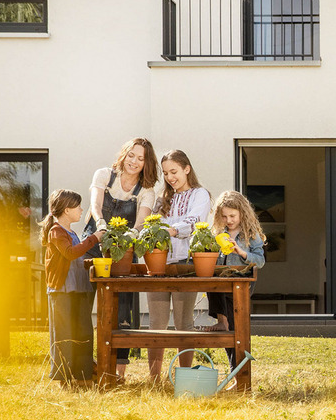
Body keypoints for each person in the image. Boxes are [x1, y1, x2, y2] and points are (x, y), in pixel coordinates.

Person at [88, 137, 159, 380]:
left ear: (146, 164)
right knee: (84, 303)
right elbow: (95, 206)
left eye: (141, 159)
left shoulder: (146, 191)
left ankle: (118, 372)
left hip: (124, 250)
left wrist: (133, 234)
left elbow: (142, 220)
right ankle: (85, 365)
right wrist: (101, 224)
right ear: (124, 154)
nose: (134, 162)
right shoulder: (104, 175)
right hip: (95, 243)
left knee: (122, 309)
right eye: (131, 155)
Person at [145, 149, 211, 383]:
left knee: (184, 322)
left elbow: (194, 221)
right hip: (159, 265)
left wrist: (171, 231)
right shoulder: (163, 199)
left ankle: (185, 377)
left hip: (185, 264)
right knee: (157, 322)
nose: (170, 177)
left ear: (187, 169)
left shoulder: (200, 194)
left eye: (174, 171)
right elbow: (150, 225)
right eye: (166, 173)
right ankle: (154, 378)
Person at [40, 189, 104, 386]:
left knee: (83, 332)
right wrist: (94, 238)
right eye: (78, 206)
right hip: (62, 291)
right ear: (67, 210)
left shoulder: (71, 232)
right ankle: (63, 378)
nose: (81, 210)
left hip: (78, 289)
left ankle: (83, 375)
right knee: (64, 334)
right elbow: (70, 253)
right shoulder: (56, 231)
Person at [202, 190, 266, 365]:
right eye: (224, 216)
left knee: (236, 328)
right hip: (222, 283)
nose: (229, 220)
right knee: (213, 285)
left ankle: (237, 368)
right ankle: (221, 321)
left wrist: (241, 252)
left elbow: (260, 261)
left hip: (240, 282)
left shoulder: (250, 234)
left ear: (242, 214)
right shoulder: (217, 233)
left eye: (232, 216)